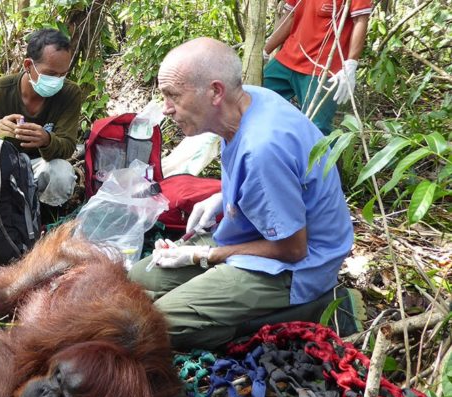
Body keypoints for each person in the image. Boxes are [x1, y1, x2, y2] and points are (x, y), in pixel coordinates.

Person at [128, 38, 357, 351]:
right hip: (254, 234)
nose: (167, 109)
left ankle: (311, 311)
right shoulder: (251, 100)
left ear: (216, 92)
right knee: (139, 281)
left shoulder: (262, 148)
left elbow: (293, 249)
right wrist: (221, 198)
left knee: (156, 327)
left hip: (299, 265)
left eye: (174, 97)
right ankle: (221, 301)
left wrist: (202, 255)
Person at [0, 28, 82, 207]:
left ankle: (45, 217)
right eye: (51, 74)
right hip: (0, 169)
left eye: (63, 74)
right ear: (28, 65)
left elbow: (67, 146)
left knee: (62, 173)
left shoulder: (70, 93)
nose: (58, 80)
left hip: (40, 167)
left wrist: (47, 140)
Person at [262, 0, 372, 135]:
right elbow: (290, 15)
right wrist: (265, 52)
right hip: (287, 58)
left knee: (316, 128)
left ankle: (321, 155)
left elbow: (360, 20)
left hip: (323, 68)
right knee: (256, 97)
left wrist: (351, 64)